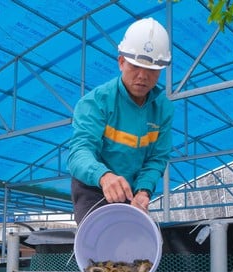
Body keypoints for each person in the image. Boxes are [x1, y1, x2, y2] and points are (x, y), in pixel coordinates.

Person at [67, 17, 173, 224]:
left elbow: (156, 159)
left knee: (131, 241)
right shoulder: (96, 103)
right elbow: (79, 153)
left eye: (151, 69)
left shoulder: (163, 109)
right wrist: (104, 176)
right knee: (98, 240)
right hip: (94, 185)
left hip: (130, 189)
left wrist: (143, 191)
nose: (142, 76)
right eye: (135, 66)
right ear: (121, 62)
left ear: (161, 69)